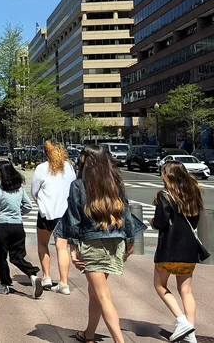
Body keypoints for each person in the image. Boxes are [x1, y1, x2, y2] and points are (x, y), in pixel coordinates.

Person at [61, 145, 147, 343]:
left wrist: (73, 248)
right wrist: (130, 240)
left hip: (92, 244)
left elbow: (73, 219)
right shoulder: (115, 183)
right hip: (115, 241)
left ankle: (119, 340)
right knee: (95, 292)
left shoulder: (78, 185)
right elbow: (125, 213)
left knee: (102, 295)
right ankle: (89, 334)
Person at [151, 161, 208, 343]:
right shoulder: (194, 193)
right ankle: (190, 334)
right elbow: (195, 222)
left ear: (168, 176)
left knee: (160, 285)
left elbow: (160, 223)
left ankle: (181, 320)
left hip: (169, 249)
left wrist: (153, 221)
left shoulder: (165, 195)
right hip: (189, 250)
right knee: (186, 291)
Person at [0, 160, 43, 298]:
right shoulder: (19, 188)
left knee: (1, 256)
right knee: (17, 256)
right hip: (17, 226)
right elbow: (28, 205)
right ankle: (32, 274)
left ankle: (4, 285)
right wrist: (18, 214)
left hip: (1, 225)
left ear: (0, 174)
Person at [31, 141, 75, 294]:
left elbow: (34, 191)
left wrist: (40, 203)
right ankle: (64, 283)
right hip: (64, 213)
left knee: (43, 244)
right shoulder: (69, 168)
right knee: (62, 248)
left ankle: (47, 276)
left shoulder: (42, 168)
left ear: (46, 152)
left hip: (46, 212)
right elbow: (74, 187)